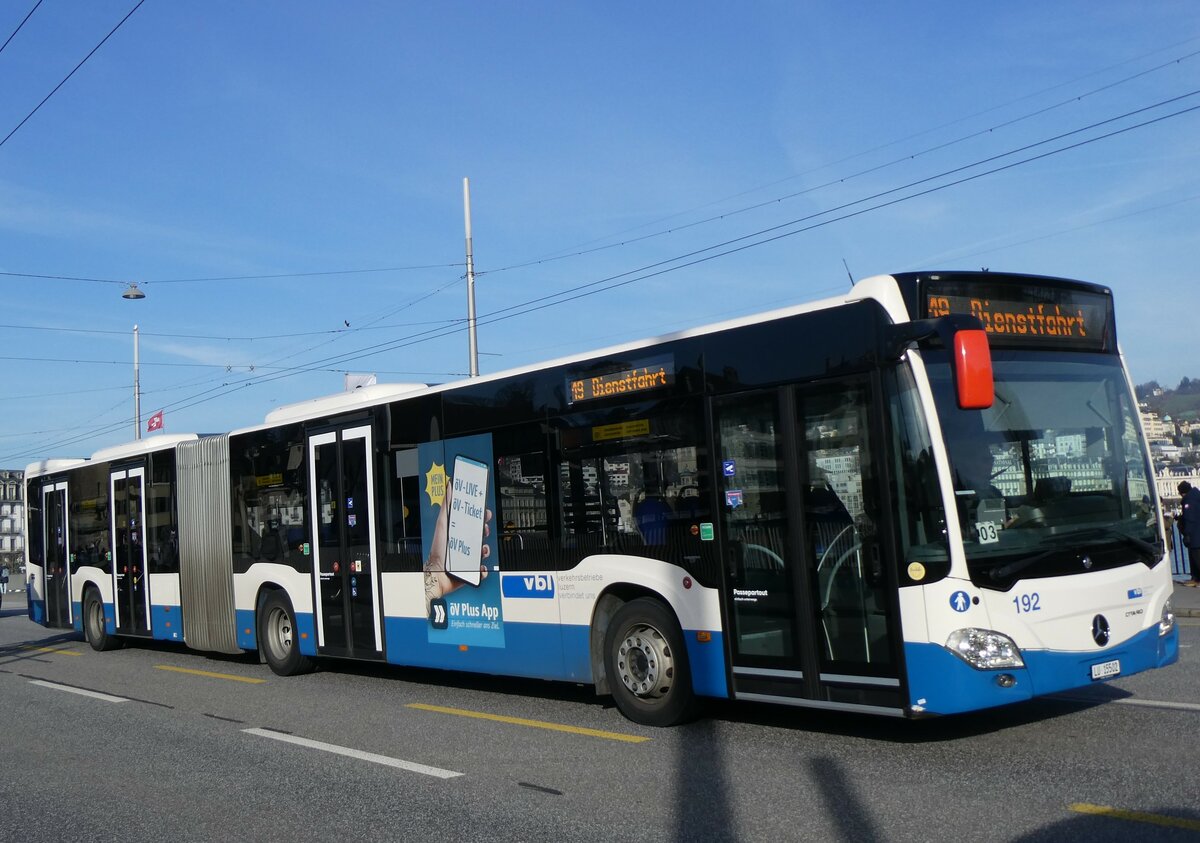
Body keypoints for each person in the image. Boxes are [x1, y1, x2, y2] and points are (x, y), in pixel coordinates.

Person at [1176, 481, 1200, 586]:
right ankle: (1196, 578)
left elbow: (1190, 519)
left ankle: (1197, 579)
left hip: (1195, 534)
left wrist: (1187, 534)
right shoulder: (1196, 496)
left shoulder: (1189, 501)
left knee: (1195, 556)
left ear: (1182, 492)